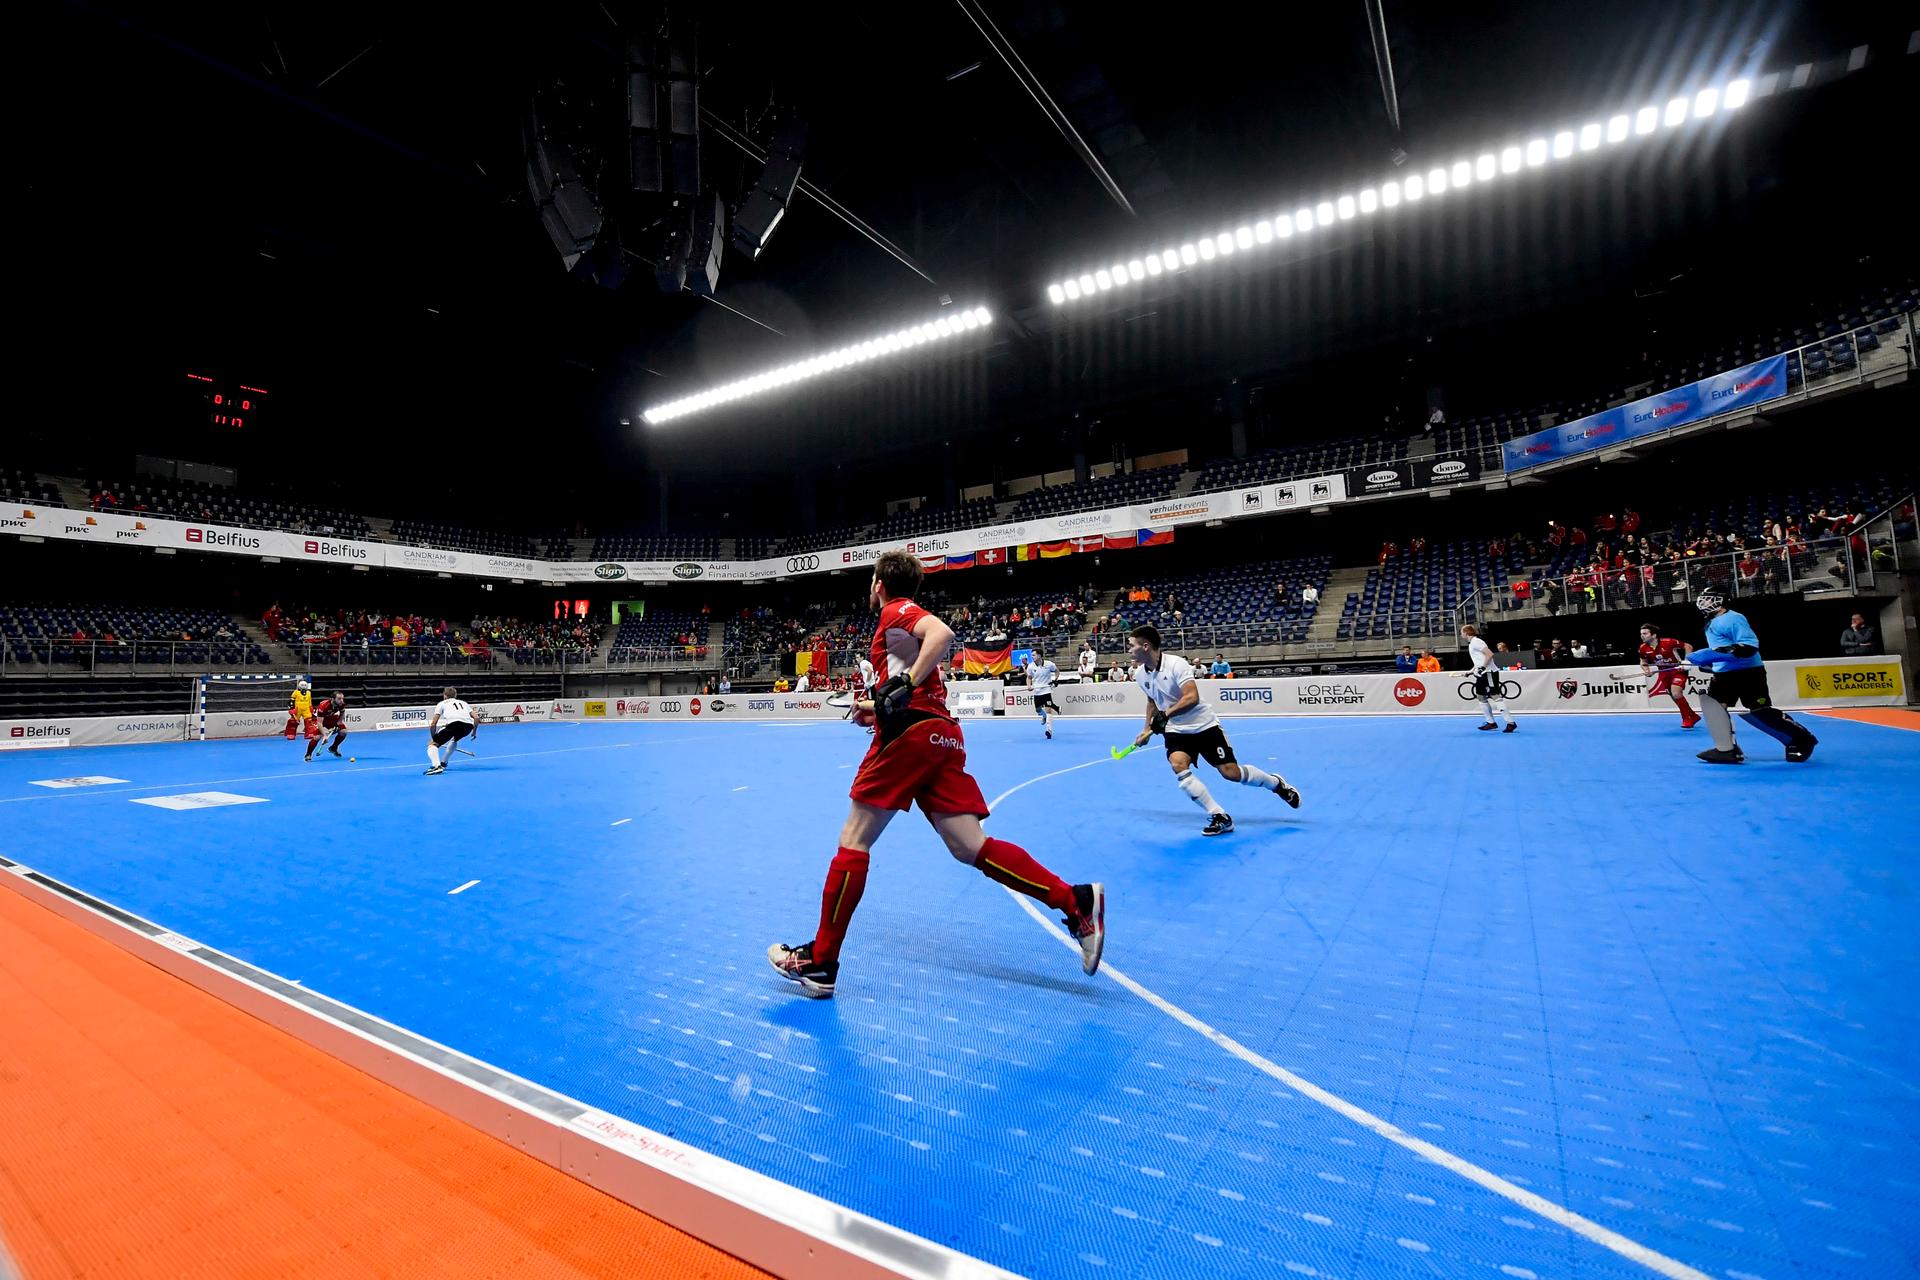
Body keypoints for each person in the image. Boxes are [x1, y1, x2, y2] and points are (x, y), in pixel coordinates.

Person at [769, 551, 1104, 999]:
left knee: (854, 839)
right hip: (941, 736)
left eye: (872, 582)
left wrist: (903, 686)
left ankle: (822, 961)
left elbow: (941, 634)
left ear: (879, 583)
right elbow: (913, 687)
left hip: (910, 737)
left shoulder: (894, 610)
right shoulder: (899, 633)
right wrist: (877, 705)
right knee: (971, 845)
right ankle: (1075, 900)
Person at [1127, 623, 1299, 837]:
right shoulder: (1140, 674)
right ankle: (1219, 815)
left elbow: (1192, 697)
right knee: (1178, 764)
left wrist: (1165, 715)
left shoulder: (1176, 664)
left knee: (1231, 773)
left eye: (1131, 645)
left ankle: (1276, 784)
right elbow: (1152, 701)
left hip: (1204, 725)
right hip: (1176, 729)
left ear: (1145, 646)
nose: (1129, 649)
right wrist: (1145, 729)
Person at [1687, 590, 1818, 764]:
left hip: (1748, 672)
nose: (1704, 602)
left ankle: (1802, 739)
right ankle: (1726, 749)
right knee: (1715, 707)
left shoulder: (1733, 618)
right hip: (1724, 674)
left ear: (1721, 600)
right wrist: (1710, 663)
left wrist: (1713, 654)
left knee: (1760, 711)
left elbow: (1749, 647)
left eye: (1709, 598)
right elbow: (1722, 648)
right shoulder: (1711, 621)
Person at [1636, 624, 1698, 729]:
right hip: (1663, 673)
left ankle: (1687, 719)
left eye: (1645, 633)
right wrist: (1647, 671)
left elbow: (1688, 646)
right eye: (1641, 634)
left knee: (1676, 693)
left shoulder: (1669, 642)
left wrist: (1686, 661)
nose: (1642, 636)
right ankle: (1693, 715)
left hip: (1677, 670)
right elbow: (1643, 662)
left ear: (1654, 635)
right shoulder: (1643, 648)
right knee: (1675, 697)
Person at [1461, 624, 1516, 732]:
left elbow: (1489, 654)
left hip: (1489, 672)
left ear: (1466, 633)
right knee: (1480, 695)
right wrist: (1470, 672)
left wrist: (1482, 667)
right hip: (1483, 673)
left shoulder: (1476, 642)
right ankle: (1491, 722)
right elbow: (1479, 661)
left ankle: (1510, 723)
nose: (1461, 634)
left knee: (1495, 695)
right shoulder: (1472, 643)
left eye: (1462, 632)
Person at [423, 687, 476, 775]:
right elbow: (476, 718)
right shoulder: (464, 703)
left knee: (432, 744)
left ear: (445, 696)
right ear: (455, 695)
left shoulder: (442, 703)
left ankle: (436, 766)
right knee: (454, 739)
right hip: (468, 726)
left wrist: (434, 738)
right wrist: (474, 732)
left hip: (454, 724)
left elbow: (433, 724)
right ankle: (443, 763)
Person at [305, 691, 350, 761]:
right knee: (317, 737)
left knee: (343, 732)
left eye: (342, 698)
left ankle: (333, 748)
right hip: (321, 720)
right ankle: (308, 754)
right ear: (332, 699)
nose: (342, 700)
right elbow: (319, 723)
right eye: (339, 699)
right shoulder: (323, 706)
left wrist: (339, 723)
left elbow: (342, 713)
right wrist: (324, 735)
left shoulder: (341, 703)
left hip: (331, 718)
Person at [1026, 652, 1060, 739]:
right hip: (1037, 691)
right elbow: (1029, 677)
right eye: (1032, 655)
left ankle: (1049, 730)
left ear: (1039, 656)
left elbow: (1057, 670)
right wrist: (1029, 686)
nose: (1032, 656)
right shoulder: (1030, 666)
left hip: (1046, 690)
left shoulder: (1049, 664)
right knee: (1038, 710)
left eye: (1034, 655)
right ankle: (1044, 716)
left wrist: (1055, 680)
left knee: (1048, 709)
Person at [284, 677, 314, 742]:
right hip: (297, 709)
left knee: (309, 721)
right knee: (293, 722)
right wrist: (292, 708)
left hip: (306, 709)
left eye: (305, 685)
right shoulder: (296, 692)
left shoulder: (309, 693)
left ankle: (309, 734)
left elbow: (310, 701)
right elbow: (291, 700)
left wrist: (311, 708)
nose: (303, 686)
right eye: (302, 685)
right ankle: (291, 734)